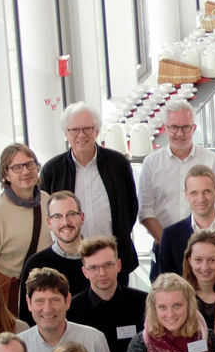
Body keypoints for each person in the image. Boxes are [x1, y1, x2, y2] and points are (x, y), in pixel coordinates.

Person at [39, 103, 140, 276]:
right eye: (74, 130)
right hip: (69, 261)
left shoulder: (118, 163)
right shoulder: (52, 170)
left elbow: (130, 208)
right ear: (66, 134)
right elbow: (45, 215)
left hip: (113, 260)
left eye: (87, 128)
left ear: (97, 130)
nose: (81, 135)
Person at [0, 144, 53, 306]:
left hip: (45, 291)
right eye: (16, 167)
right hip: (13, 297)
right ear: (6, 175)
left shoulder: (46, 200)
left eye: (30, 164)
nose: (26, 171)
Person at [18, 268, 118, 352]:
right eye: (40, 301)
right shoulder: (19, 346)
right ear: (28, 303)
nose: (47, 309)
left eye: (54, 300)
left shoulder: (94, 339)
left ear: (68, 301)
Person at [138, 104, 215, 241]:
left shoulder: (211, 159)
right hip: (163, 245)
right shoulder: (151, 163)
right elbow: (146, 212)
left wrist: (203, 245)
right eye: (173, 127)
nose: (179, 133)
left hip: (204, 246)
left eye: (185, 127)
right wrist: (168, 245)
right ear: (165, 129)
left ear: (194, 128)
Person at [70, 236, 149, 352]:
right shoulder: (72, 310)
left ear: (118, 266)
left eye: (108, 265)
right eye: (93, 267)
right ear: (85, 272)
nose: (102, 273)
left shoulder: (143, 302)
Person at [16, 191, 91, 319]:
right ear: (49, 223)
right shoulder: (35, 264)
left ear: (82, 218)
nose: (65, 222)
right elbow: (26, 316)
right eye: (57, 216)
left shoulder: (99, 260)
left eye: (71, 214)